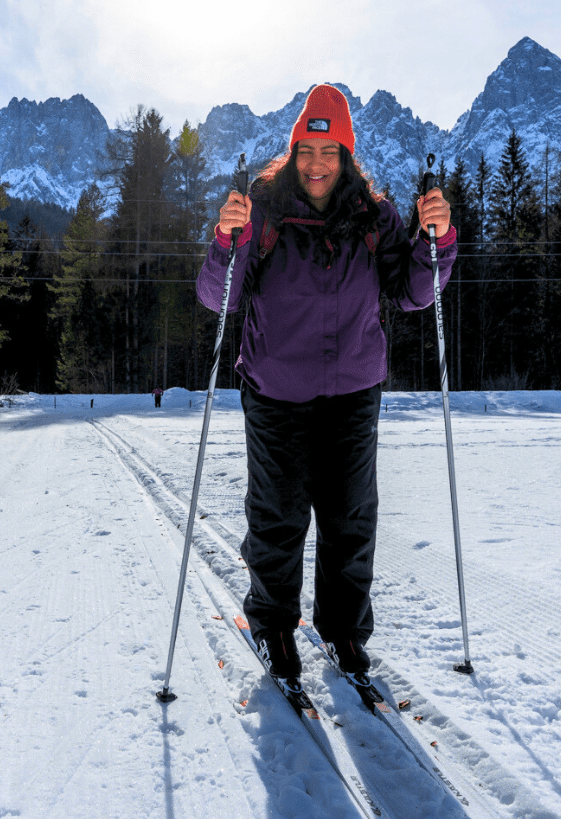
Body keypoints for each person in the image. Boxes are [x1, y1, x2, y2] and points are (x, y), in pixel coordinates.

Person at [196, 84, 454, 685]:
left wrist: (433, 243)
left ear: (346, 156)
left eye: (330, 152)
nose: (317, 165)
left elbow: (415, 294)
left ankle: (342, 631)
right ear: (293, 152)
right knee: (279, 516)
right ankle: (273, 625)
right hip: (275, 389)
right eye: (307, 151)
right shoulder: (259, 211)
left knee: (350, 517)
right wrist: (223, 245)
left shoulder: (375, 216)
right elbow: (219, 297)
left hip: (353, 391)